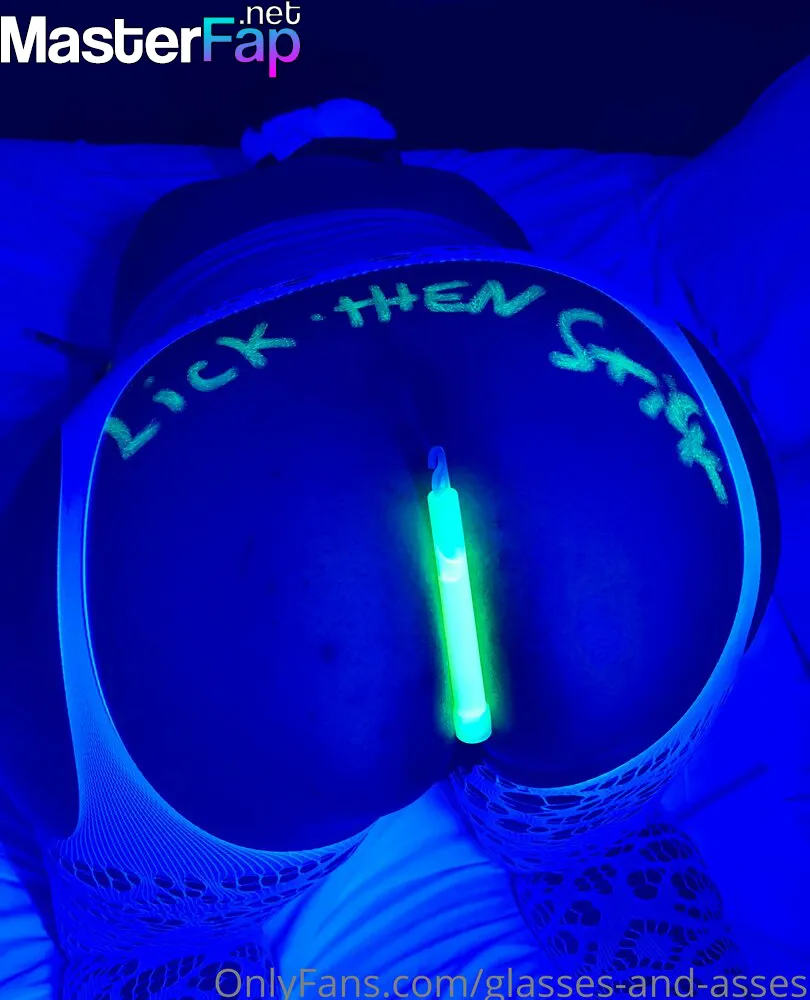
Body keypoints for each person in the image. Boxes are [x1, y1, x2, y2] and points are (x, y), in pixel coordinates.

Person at [0, 69, 806, 996]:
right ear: (383, 154)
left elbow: (126, 367)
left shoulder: (172, 220)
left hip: (224, 442)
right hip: (601, 421)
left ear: (259, 165)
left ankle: (172, 953)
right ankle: (587, 851)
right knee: (600, 847)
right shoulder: (456, 195)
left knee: (160, 947)